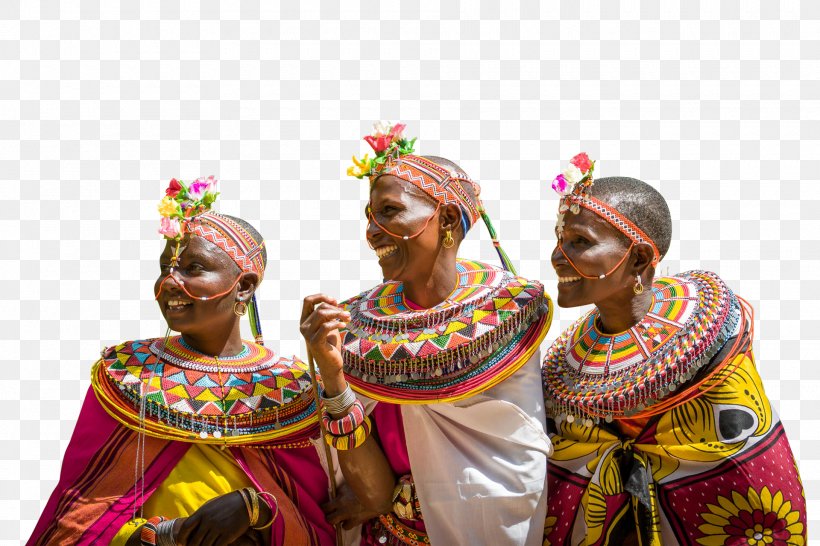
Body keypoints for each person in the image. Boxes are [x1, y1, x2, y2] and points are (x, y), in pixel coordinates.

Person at [29, 178, 337, 546]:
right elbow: (80, 513)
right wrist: (167, 535)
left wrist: (256, 509)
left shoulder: (291, 384)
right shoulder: (128, 373)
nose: (170, 282)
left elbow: (318, 513)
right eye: (165, 267)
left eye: (193, 267)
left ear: (245, 286)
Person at [300, 123, 554, 545]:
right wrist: (333, 377)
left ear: (448, 218)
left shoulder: (509, 311)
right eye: (370, 216)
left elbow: (514, 465)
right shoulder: (356, 329)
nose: (371, 231)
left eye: (389, 211)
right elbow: (375, 496)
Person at [541, 155, 806, 545]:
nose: (557, 256)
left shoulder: (709, 355)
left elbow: (742, 470)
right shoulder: (571, 366)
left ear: (639, 258)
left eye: (580, 242)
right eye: (560, 240)